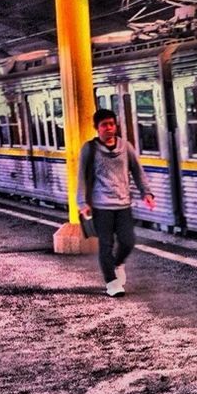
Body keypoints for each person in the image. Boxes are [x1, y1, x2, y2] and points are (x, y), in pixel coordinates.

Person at [77, 108, 155, 297]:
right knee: (106, 244)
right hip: (101, 206)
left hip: (123, 204)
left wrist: (147, 193)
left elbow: (137, 170)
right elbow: (81, 177)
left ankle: (118, 263)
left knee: (128, 241)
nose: (109, 128)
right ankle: (112, 284)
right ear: (97, 128)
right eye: (104, 125)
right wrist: (82, 202)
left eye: (112, 124)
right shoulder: (90, 148)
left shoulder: (125, 146)